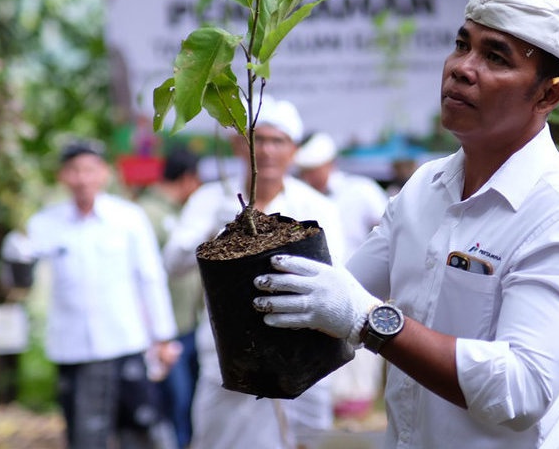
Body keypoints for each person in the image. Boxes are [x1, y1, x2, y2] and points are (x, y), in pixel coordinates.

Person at [251, 0, 559, 448]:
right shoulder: (425, 188)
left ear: (550, 94)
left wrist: (370, 323)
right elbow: (341, 289)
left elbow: (522, 389)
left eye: (497, 57)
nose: (462, 68)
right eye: (463, 44)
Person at [163, 97, 346, 449]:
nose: (266, 151)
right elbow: (173, 262)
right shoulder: (210, 199)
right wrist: (214, 234)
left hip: (304, 355)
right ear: (239, 145)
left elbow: (337, 275)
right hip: (230, 356)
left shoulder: (316, 207)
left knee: (306, 440)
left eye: (278, 141)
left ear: (293, 150)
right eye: (257, 140)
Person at [25, 138, 180, 449]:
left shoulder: (129, 218)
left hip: (124, 343)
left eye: (89, 170)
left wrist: (162, 337)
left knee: (142, 431)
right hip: (73, 349)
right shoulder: (44, 224)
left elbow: (150, 278)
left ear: (104, 173)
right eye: (74, 170)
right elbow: (22, 277)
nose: (82, 178)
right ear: (63, 176)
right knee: (84, 437)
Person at [294, 131, 390, 420]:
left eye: (316, 169)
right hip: (320, 289)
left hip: (363, 286)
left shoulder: (360, 190)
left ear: (330, 164)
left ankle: (356, 415)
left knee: (360, 357)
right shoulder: (300, 197)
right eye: (307, 171)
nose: (313, 176)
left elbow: (389, 227)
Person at [137, 147, 204, 449]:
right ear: (189, 178)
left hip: (188, 323)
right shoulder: (148, 214)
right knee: (173, 404)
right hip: (164, 330)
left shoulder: (180, 212)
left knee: (188, 402)